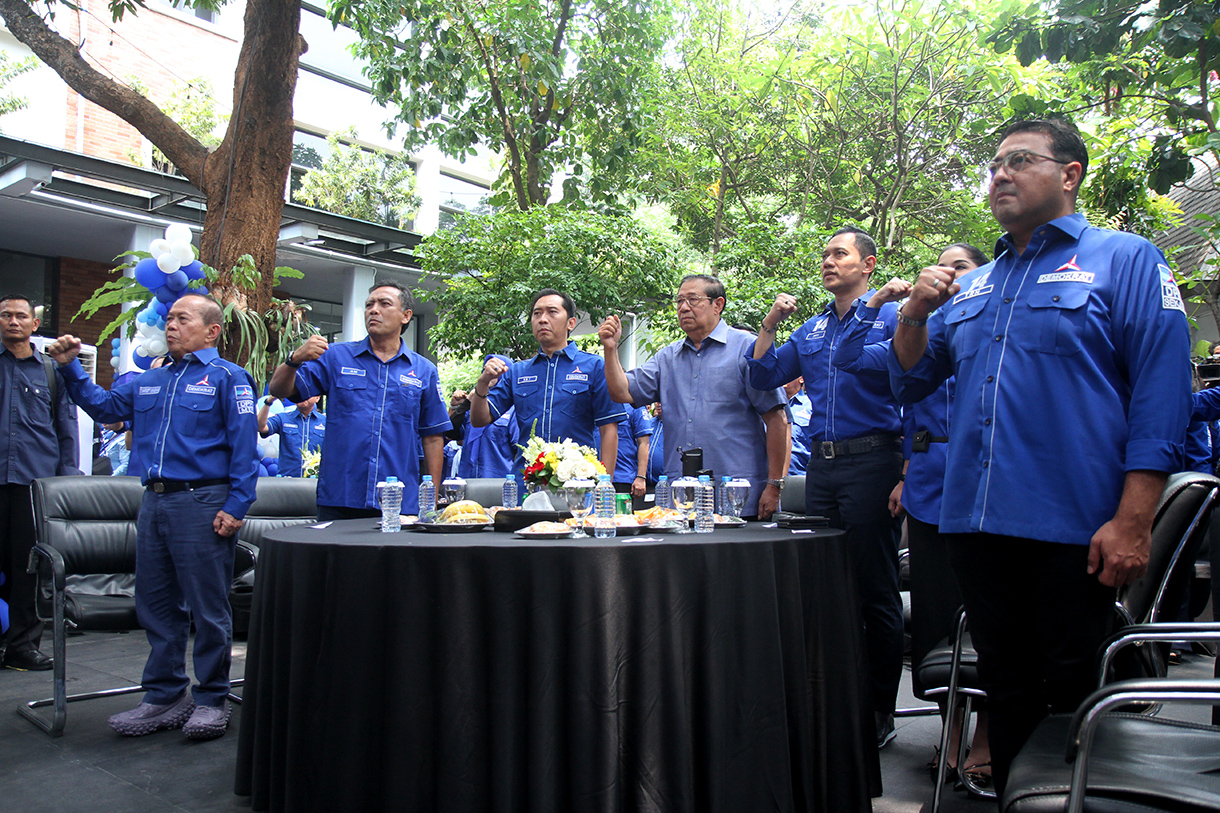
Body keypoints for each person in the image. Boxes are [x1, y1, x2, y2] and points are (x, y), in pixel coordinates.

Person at [888, 118, 1190, 793]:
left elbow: (1162, 395)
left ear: (1070, 174)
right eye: (994, 164)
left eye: (1019, 161)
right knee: (1006, 687)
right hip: (977, 524)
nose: (1000, 174)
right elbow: (908, 380)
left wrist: (1135, 518)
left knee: (1074, 691)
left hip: (1076, 528)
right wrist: (913, 310)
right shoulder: (975, 285)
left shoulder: (1128, 259)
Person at [47, 293, 258, 739]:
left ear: (212, 330)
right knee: (157, 604)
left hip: (203, 502)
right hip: (155, 502)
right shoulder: (149, 380)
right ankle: (164, 695)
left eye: (183, 319)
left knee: (207, 606)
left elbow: (245, 451)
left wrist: (236, 506)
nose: (171, 325)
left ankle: (211, 698)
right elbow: (105, 408)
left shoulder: (229, 379)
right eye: (169, 319)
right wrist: (70, 367)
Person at [833, 242, 994, 782]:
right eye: (943, 269)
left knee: (990, 612)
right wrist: (883, 305)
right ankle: (950, 732)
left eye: (963, 269)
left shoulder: (992, 328)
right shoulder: (916, 332)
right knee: (935, 616)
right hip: (928, 482)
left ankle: (990, 735)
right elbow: (851, 358)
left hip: (988, 475)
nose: (951, 278)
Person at [745, 226, 905, 747]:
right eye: (825, 255)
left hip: (874, 461)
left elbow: (914, 381)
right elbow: (763, 374)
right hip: (825, 472)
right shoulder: (811, 329)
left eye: (840, 254)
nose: (829, 262)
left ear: (869, 265)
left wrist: (905, 469)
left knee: (873, 587)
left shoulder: (894, 317)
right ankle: (836, 699)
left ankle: (881, 707)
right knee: (828, 585)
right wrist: (770, 323)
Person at [598, 275, 787, 519]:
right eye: (679, 302)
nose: (683, 307)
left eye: (692, 300)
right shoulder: (667, 358)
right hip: (681, 500)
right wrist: (610, 349)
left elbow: (777, 420)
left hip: (740, 497)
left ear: (718, 305)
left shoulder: (748, 348)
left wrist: (774, 485)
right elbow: (621, 391)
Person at [269, 281, 451, 521]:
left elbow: (433, 437)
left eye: (384, 304)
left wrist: (430, 500)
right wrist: (294, 359)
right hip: (340, 496)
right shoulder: (335, 357)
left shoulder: (423, 370)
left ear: (406, 316)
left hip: (398, 500)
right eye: (369, 305)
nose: (373, 310)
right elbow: (279, 389)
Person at [0, 294, 79, 672]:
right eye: (5, 315)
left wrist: (67, 486)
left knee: (26, 569)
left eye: (20, 316)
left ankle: (22, 646)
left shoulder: (51, 372)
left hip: (34, 486)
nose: (12, 321)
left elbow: (66, 431)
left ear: (34, 324)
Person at [470, 289, 622, 475]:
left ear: (571, 323)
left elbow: (609, 429)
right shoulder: (517, 371)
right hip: (527, 483)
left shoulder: (594, 366)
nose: (543, 319)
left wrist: (604, 485)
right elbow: (479, 419)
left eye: (552, 312)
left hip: (577, 483)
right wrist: (482, 383)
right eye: (537, 313)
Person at [458, 356, 519, 480]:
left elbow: (519, 452)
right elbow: (454, 436)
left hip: (499, 483)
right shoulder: (473, 406)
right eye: (486, 369)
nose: (490, 372)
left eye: (495, 369)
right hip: (468, 480)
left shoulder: (513, 410)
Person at [257, 395, 324, 478]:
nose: (301, 396)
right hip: (287, 482)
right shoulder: (283, 418)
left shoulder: (326, 422)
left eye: (306, 393)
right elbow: (261, 427)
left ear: (317, 397)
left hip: (315, 482)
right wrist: (268, 402)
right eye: (298, 393)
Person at [612, 404, 655, 509]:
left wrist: (641, 477)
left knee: (622, 521)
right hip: (595, 479)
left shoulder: (635, 407)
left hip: (623, 478)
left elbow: (644, 443)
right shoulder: (598, 403)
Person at [784, 377, 811, 476]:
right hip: (768, 478)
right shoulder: (767, 407)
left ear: (802, 379)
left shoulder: (811, 407)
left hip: (800, 476)